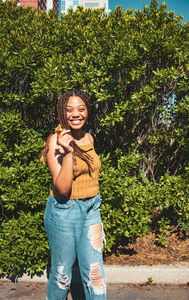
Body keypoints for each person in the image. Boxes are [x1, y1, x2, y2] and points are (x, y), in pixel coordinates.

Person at [42, 90, 106, 300]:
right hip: (65, 210)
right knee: (62, 276)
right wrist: (68, 152)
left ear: (87, 111)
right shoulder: (55, 141)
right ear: (62, 113)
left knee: (95, 276)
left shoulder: (89, 138)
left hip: (91, 208)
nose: (75, 114)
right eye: (69, 110)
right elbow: (61, 189)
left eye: (81, 109)